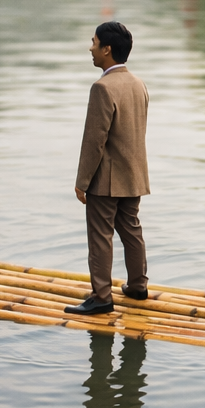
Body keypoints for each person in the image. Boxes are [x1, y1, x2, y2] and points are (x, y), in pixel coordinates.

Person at [65, 21, 150, 317]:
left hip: (107, 177)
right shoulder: (138, 83)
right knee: (131, 230)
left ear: (107, 49)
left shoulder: (102, 87)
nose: (90, 48)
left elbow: (94, 141)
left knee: (100, 236)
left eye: (94, 42)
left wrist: (82, 181)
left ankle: (101, 296)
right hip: (134, 173)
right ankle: (138, 285)